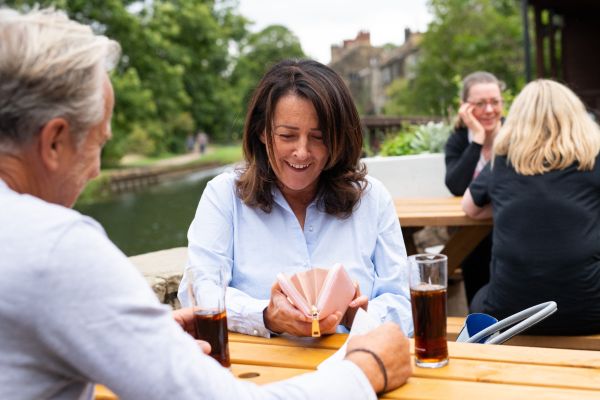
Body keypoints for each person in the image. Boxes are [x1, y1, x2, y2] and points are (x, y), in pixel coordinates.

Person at [0, 8, 413, 399]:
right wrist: (366, 369)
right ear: (54, 141)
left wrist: (146, 335)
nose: (95, 171)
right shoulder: (59, 251)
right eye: (99, 143)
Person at [178, 59, 413, 338]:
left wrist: (357, 316)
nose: (302, 152)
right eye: (288, 135)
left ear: (339, 139)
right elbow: (199, 292)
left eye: (319, 137)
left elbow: (402, 303)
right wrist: (267, 316)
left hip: (353, 366)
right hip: (259, 373)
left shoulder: (372, 199)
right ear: (263, 133)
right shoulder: (224, 196)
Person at [462, 79, 600, 334]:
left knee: (479, 295)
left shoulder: (503, 160)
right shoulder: (593, 157)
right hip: (591, 309)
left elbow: (470, 208)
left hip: (511, 313)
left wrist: (509, 205)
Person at [444, 71, 504, 305]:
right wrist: (478, 139)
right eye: (480, 104)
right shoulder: (460, 139)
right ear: (466, 109)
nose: (489, 110)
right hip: (473, 227)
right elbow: (456, 185)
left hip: (506, 225)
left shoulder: (516, 134)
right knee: (472, 247)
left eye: (495, 102)